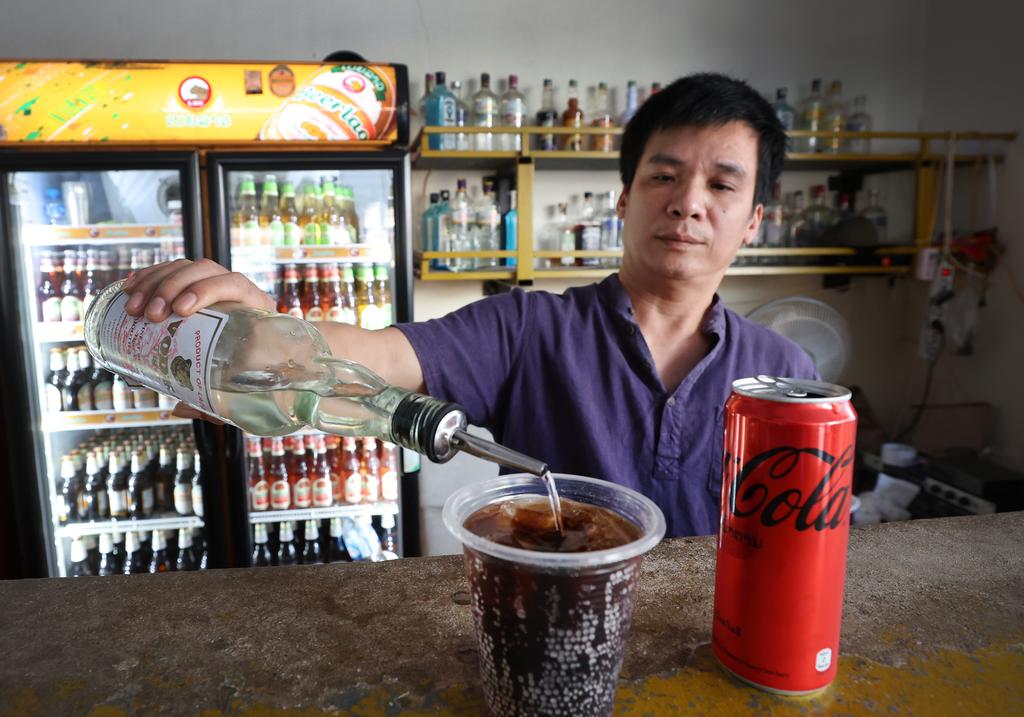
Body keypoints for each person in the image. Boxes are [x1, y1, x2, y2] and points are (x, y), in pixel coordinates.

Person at [121, 72, 816, 538]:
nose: (688, 202)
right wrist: (258, 331)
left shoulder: (787, 373)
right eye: (665, 175)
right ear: (626, 198)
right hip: (549, 637)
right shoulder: (529, 328)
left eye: (722, 186)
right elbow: (380, 358)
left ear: (754, 219)